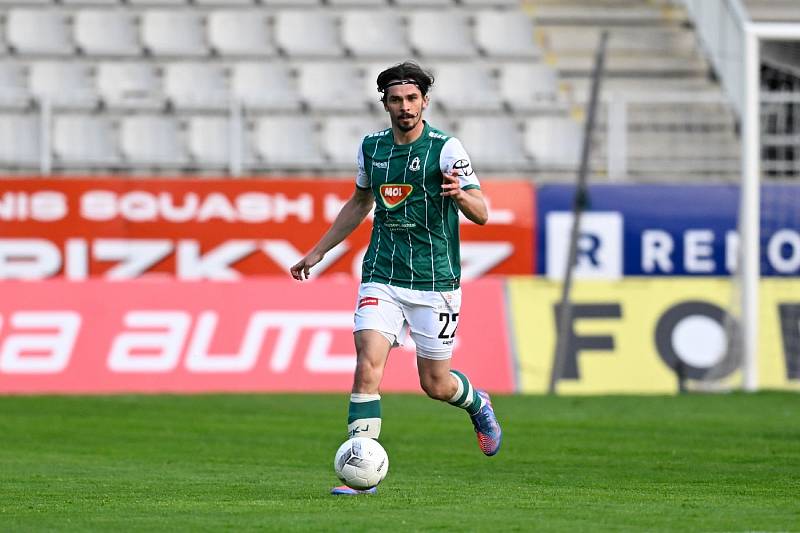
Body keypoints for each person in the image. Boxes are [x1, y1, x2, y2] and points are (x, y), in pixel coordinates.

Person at [290, 61, 502, 496]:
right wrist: (319, 250)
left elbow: (482, 214)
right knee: (367, 365)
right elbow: (359, 203)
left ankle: (478, 403)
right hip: (382, 273)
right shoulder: (372, 148)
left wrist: (460, 195)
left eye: (412, 99)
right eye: (395, 99)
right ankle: (361, 475)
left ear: (425, 101)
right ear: (384, 102)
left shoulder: (445, 148)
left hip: (434, 280)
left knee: (435, 384)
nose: (404, 107)